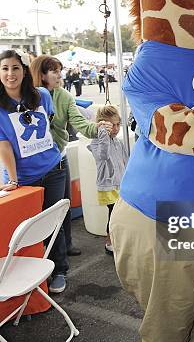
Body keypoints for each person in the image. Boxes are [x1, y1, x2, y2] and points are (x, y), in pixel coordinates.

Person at [30, 55, 111, 259]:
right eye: (54, 71)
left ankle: (66, 246)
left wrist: (98, 127)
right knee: (41, 212)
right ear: (41, 74)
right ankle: (47, 255)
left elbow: (80, 123)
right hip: (33, 165)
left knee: (63, 205)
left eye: (60, 70)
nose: (60, 75)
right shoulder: (28, 98)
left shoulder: (64, 96)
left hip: (59, 159)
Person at [0, 49, 67, 293]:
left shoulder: (41, 95)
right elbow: (4, 145)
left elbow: (48, 125)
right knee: (26, 230)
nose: (10, 73)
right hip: (23, 180)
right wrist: (14, 180)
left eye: (15, 68)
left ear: (24, 71)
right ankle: (30, 277)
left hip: (53, 168)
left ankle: (59, 269)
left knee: (53, 224)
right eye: (5, 68)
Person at [87, 106, 128, 254]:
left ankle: (118, 239)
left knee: (120, 215)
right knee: (114, 214)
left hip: (120, 185)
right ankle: (109, 241)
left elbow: (125, 161)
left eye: (118, 124)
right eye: (112, 125)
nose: (116, 129)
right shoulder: (97, 142)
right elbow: (103, 156)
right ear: (102, 125)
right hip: (108, 186)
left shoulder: (118, 142)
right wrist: (103, 132)